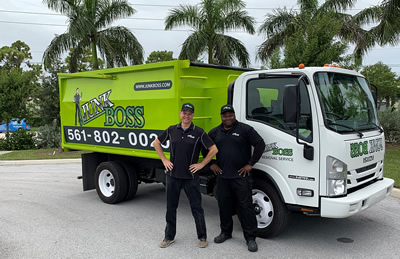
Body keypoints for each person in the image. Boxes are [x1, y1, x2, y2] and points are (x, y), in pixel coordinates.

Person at [153, 103, 218, 249]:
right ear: (180, 114)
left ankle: (202, 237)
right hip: (173, 176)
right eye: (184, 113)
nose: (186, 116)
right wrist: (164, 160)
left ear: (193, 115)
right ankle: (169, 237)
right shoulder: (171, 130)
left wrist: (201, 165)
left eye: (189, 113)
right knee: (171, 208)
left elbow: (213, 149)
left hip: (191, 177)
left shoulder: (199, 132)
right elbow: (156, 143)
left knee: (197, 208)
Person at [208, 104, 265, 252]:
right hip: (222, 177)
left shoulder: (245, 130)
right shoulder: (215, 132)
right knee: (224, 206)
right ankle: (226, 233)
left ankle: (251, 238)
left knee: (245, 207)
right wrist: (212, 163)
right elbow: (204, 146)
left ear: (234, 115)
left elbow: (260, 144)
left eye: (230, 115)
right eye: (225, 115)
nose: (228, 118)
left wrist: (250, 164)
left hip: (241, 176)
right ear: (221, 117)